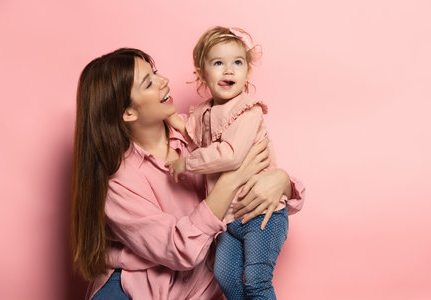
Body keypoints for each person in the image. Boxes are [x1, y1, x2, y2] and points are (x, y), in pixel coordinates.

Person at [71, 48, 305, 300]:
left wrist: (282, 181)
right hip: (139, 290)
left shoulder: (198, 131)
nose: (164, 82)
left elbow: (261, 168)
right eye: (149, 82)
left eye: (156, 73)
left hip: (200, 282)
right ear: (128, 112)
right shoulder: (118, 183)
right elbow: (180, 249)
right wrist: (232, 179)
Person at [165, 26, 301, 299]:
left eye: (237, 63)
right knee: (224, 277)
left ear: (247, 72)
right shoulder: (205, 112)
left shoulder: (247, 111)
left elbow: (231, 154)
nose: (229, 71)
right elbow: (190, 130)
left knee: (256, 281)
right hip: (228, 220)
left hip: (263, 214)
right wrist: (169, 117)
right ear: (202, 74)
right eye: (218, 63)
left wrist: (187, 163)